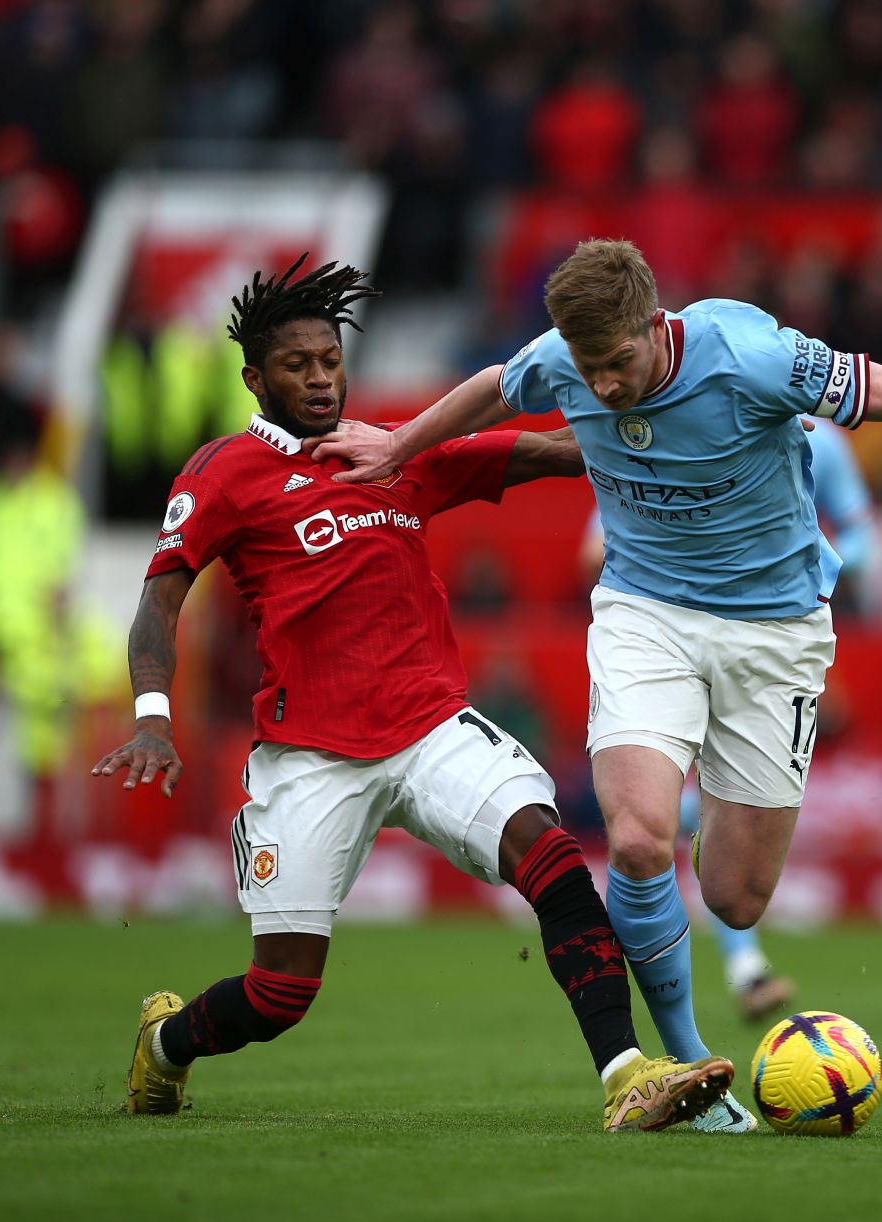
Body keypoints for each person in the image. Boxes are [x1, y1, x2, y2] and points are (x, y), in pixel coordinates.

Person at [308, 239, 882, 1133]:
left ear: (655, 329)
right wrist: (400, 442)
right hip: (644, 614)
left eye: (620, 364)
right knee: (634, 839)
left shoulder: (751, 357)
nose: (607, 387)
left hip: (774, 633)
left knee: (736, 896)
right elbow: (493, 386)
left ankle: (701, 930)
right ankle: (684, 1068)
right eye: (591, 371)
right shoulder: (564, 361)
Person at [90, 255, 732, 1133]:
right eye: (296, 365)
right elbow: (161, 599)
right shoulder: (226, 472)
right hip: (312, 754)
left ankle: (629, 1076)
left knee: (552, 862)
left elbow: (555, 449)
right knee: (279, 993)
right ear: (254, 378)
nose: (320, 378)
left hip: (432, 729)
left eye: (329, 360)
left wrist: (697, 425)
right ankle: (165, 1046)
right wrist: (153, 718)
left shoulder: (397, 453)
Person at [574, 419, 879, 1023]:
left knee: (715, 843)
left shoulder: (824, 443)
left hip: (770, 641)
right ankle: (737, 972)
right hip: (667, 639)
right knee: (654, 822)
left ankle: (708, 949)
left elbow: (862, 535)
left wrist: (807, 575)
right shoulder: (670, 425)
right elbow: (590, 552)